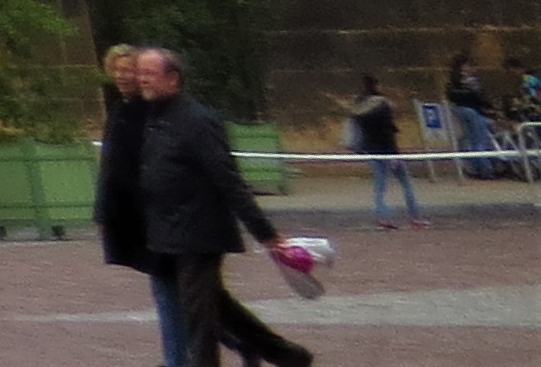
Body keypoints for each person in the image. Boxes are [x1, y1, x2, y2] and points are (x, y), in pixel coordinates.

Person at [135, 47, 311, 367]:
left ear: (173, 80)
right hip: (170, 231)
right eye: (140, 73)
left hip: (197, 233)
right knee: (217, 305)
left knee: (198, 319)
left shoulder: (196, 120)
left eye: (149, 73)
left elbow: (227, 179)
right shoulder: (153, 117)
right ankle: (287, 355)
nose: (141, 79)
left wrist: (265, 234)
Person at [98, 44, 190, 367]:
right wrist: (103, 211)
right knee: (174, 295)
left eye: (130, 70)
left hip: (156, 219)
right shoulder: (121, 111)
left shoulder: (148, 115)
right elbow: (110, 168)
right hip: (141, 219)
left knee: (173, 295)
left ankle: (178, 360)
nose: (124, 75)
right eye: (118, 69)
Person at [344, 75, 418, 229]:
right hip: (388, 150)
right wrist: (393, 154)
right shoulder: (382, 106)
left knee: (380, 187)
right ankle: (415, 217)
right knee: (406, 184)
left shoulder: (359, 108)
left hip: (371, 150)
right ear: (377, 86)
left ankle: (382, 217)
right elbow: (387, 132)